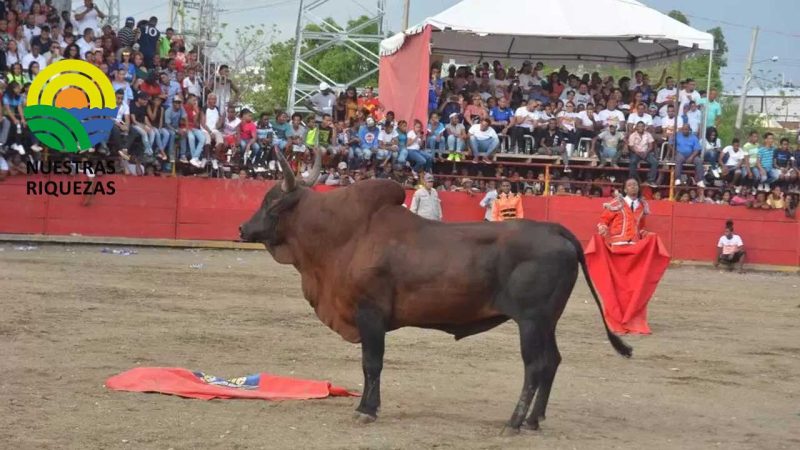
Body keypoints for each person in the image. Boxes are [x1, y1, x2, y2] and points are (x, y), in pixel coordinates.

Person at [597, 178, 649, 245]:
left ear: (638, 188)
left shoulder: (642, 206)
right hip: (617, 242)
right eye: (629, 185)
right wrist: (603, 227)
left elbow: (642, 226)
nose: (633, 186)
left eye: (635, 185)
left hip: (634, 243)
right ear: (625, 190)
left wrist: (645, 233)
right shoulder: (616, 202)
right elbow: (604, 219)